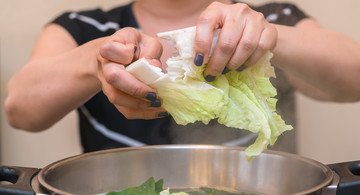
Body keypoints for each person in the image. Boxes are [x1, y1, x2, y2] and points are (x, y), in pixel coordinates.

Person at [5, 0, 360, 154]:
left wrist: (269, 38)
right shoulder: (85, 27)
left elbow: (353, 77)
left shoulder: (266, 17)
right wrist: (97, 58)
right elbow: (20, 110)